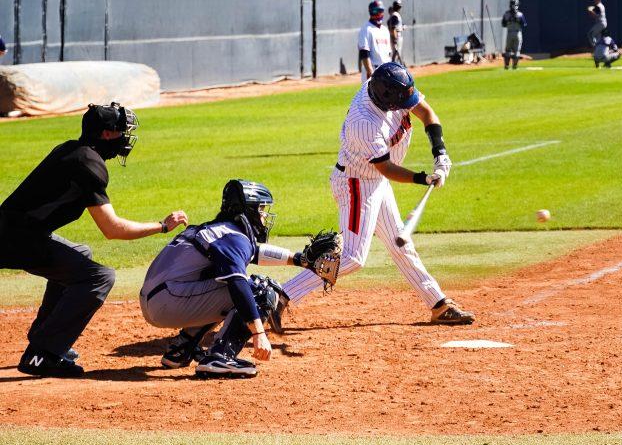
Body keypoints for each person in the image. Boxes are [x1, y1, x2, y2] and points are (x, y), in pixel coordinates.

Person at [0, 103, 188, 378]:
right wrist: (161, 226)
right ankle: (43, 353)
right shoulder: (88, 164)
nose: (126, 136)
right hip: (17, 239)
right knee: (99, 277)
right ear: (107, 135)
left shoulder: (73, 150)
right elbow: (112, 229)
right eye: (122, 130)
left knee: (81, 253)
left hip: (20, 233)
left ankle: (45, 337)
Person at [282, 63, 474, 325]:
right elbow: (386, 168)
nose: (410, 102)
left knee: (400, 243)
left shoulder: (391, 88)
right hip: (356, 183)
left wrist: (440, 153)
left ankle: (437, 304)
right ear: (389, 100)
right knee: (351, 258)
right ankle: (278, 295)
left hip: (375, 182)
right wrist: (423, 178)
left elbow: (426, 113)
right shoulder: (365, 123)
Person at [140, 180, 335, 378]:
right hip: (169, 300)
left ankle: (182, 348)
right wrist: (259, 334)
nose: (264, 215)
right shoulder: (233, 236)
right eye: (261, 209)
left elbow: (254, 252)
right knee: (260, 290)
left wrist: (300, 259)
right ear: (247, 210)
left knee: (222, 284)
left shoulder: (220, 230)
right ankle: (220, 356)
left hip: (161, 298)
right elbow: (237, 284)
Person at [358, 0, 393, 82]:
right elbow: (364, 53)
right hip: (373, 71)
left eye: (381, 10)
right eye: (375, 11)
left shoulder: (385, 30)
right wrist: (371, 73)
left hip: (385, 72)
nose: (378, 13)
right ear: (370, 12)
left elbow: (388, 54)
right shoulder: (366, 29)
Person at [501, 0, 527, 70]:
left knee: (508, 50)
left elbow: (503, 24)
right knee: (517, 51)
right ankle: (515, 66)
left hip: (509, 33)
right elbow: (524, 24)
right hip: (517, 33)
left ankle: (506, 66)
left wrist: (510, 22)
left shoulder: (506, 14)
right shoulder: (520, 14)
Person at [387, 0, 405, 65]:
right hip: (396, 36)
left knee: (397, 54)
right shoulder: (395, 15)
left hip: (396, 35)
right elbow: (393, 28)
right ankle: (393, 68)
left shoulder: (395, 15)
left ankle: (396, 67)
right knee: (396, 54)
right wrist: (395, 39)